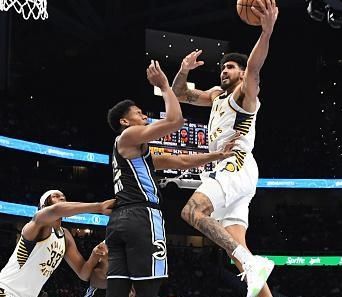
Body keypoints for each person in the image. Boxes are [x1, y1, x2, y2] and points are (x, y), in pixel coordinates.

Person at [171, 1, 278, 296]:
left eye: (230, 67)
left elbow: (255, 67)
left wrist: (266, 32)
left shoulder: (245, 94)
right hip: (230, 169)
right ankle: (251, 267)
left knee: (191, 211)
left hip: (236, 163)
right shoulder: (217, 96)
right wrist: (183, 69)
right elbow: (180, 93)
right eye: (222, 67)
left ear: (242, 74)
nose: (224, 71)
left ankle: (250, 262)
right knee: (237, 253)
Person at [105, 60, 238, 297]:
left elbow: (182, 161)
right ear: (124, 122)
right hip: (142, 216)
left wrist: (219, 154)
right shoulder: (129, 135)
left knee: (117, 292)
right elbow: (176, 122)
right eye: (138, 113)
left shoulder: (135, 154)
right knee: (148, 290)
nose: (144, 115)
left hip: (119, 221)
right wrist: (165, 86)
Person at [0, 190, 115, 297]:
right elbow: (56, 210)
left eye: (63, 197)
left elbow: (83, 273)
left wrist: (94, 256)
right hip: (5, 289)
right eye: (56, 196)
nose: (62, 197)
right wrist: (100, 207)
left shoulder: (65, 236)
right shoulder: (37, 224)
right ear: (43, 205)